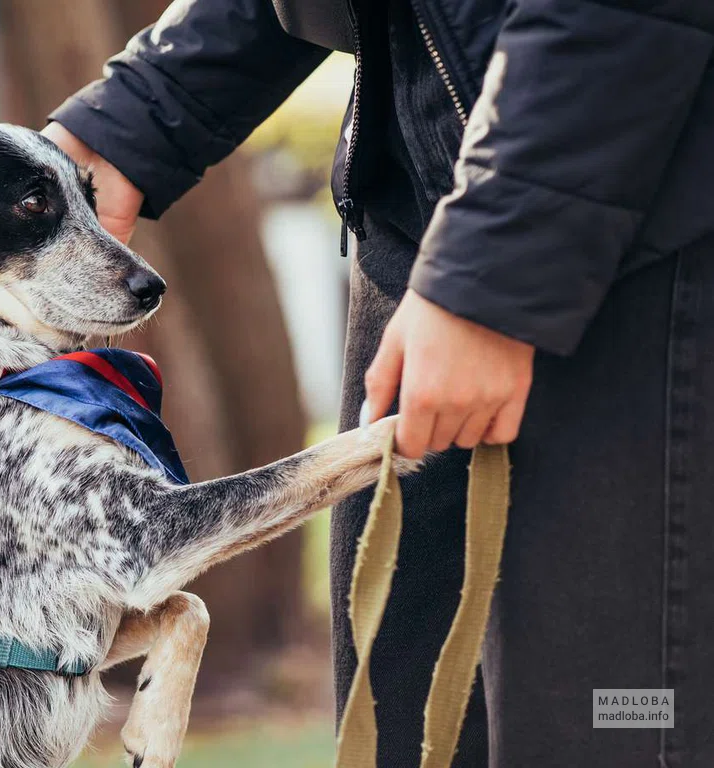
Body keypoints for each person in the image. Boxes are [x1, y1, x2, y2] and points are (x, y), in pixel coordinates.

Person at [44, 1, 714, 765]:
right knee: (402, 716)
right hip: (417, 229)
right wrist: (134, 115)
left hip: (636, 250)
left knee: (613, 722)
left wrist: (495, 275)